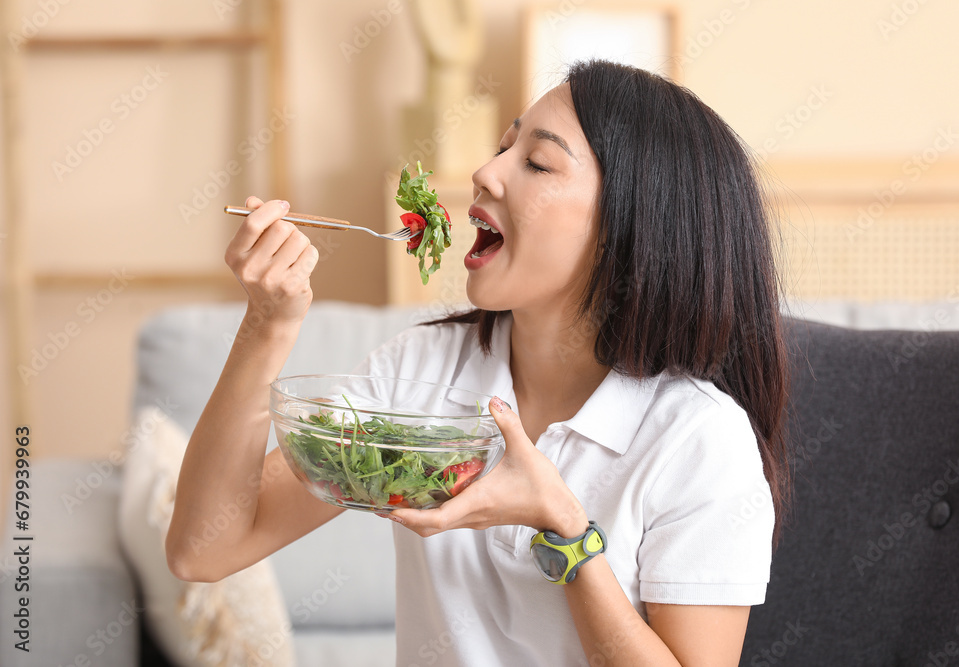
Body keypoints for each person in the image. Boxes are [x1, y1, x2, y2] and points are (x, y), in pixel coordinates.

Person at [167, 59, 789, 665]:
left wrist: (564, 528)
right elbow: (205, 549)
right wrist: (266, 325)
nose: (485, 173)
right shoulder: (422, 373)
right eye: (501, 148)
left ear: (630, 228)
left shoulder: (697, 440)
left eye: (537, 163)